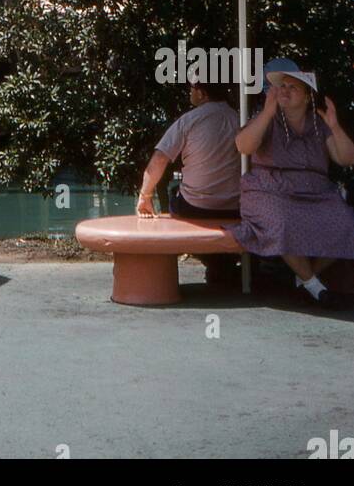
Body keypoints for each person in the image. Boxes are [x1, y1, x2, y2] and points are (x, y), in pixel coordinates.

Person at [231, 58, 354, 307]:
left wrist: (335, 126)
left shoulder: (319, 122)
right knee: (282, 222)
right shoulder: (267, 117)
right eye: (282, 86)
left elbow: (345, 158)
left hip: (316, 192)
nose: (284, 90)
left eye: (293, 87)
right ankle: (316, 287)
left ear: (307, 96)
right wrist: (267, 112)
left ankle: (304, 277)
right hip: (269, 189)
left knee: (347, 224)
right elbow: (243, 146)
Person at [137, 79, 241, 283]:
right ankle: (220, 265)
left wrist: (145, 196)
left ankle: (211, 263)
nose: (189, 93)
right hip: (235, 207)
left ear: (202, 93)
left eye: (191, 89)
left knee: (175, 192)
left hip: (195, 207)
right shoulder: (238, 118)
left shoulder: (189, 120)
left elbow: (159, 159)